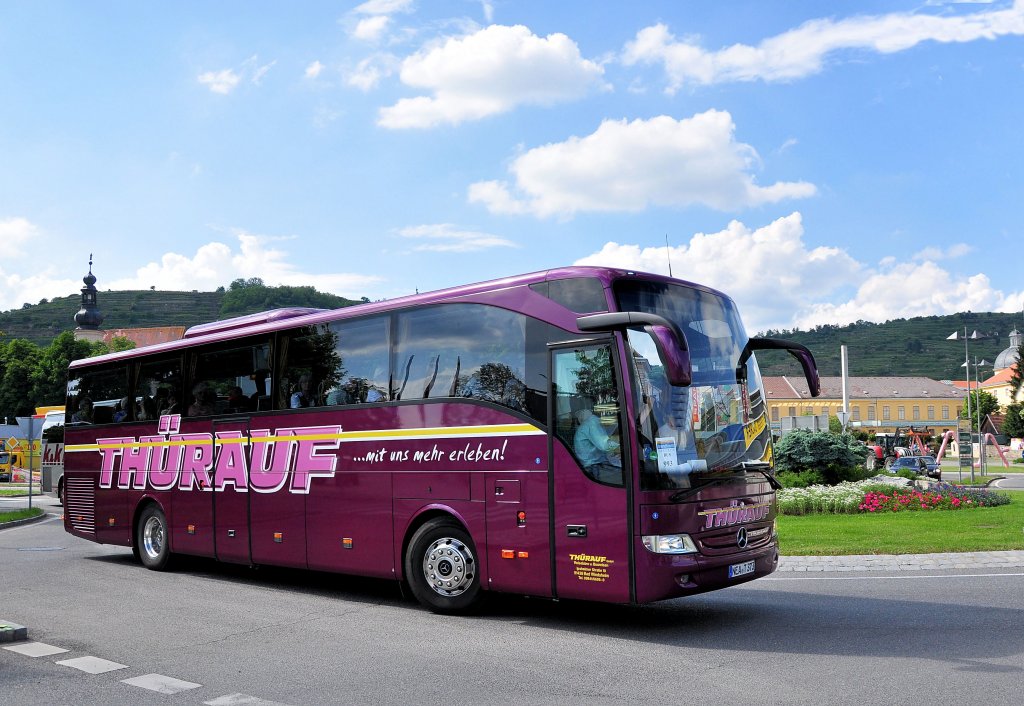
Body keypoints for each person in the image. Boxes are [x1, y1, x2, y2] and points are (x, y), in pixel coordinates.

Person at [573, 402, 622, 484]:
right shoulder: (591, 423)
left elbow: (607, 432)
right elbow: (605, 445)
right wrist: (621, 445)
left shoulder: (586, 425)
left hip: (593, 465)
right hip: (594, 468)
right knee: (629, 475)